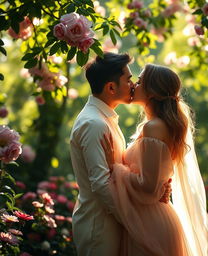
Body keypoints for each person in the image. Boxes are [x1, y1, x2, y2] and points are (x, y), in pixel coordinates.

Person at [101, 64, 208, 256]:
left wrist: (115, 167)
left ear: (152, 92)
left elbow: (147, 187)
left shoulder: (154, 128)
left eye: (138, 82)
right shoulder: (156, 126)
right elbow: (154, 182)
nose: (133, 85)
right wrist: (161, 186)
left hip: (151, 224)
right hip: (152, 218)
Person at [70, 53, 171, 256]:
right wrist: (134, 220)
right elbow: (100, 184)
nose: (133, 84)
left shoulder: (105, 119)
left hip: (112, 223)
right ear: (111, 87)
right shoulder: (94, 124)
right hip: (99, 226)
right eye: (128, 79)